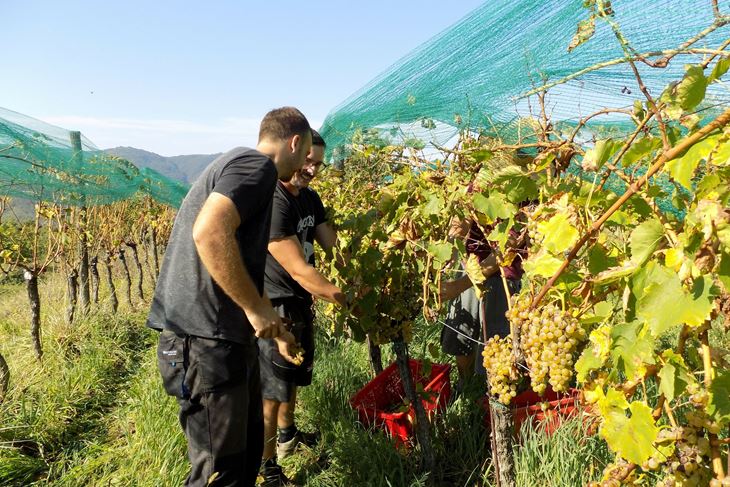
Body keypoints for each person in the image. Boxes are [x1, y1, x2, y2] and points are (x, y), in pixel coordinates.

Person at [147, 107, 312, 487]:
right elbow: (209, 232)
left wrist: (275, 326)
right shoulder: (256, 167)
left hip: (221, 340)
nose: (306, 164)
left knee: (244, 457)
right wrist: (256, 309)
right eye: (305, 154)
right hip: (205, 343)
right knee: (218, 473)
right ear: (295, 142)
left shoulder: (238, 165)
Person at [257, 130, 348, 486]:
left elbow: (332, 244)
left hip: (300, 302)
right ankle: (267, 471)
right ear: (296, 153)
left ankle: (287, 437)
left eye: (319, 164)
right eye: (308, 160)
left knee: (291, 378)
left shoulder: (309, 199)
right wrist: (345, 298)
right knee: (271, 392)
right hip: (274, 305)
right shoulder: (274, 200)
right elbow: (298, 268)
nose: (312, 169)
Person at [439, 215, 525, 389]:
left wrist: (459, 286)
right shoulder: (474, 186)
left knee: (497, 345)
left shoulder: (524, 197)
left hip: (503, 278)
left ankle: (494, 395)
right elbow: (462, 216)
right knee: (460, 332)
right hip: (470, 266)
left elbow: (508, 248)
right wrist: (449, 249)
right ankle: (466, 385)